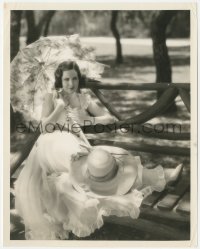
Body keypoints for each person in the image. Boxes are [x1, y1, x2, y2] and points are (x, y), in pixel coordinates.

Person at [14, 60, 183, 240]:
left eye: (74, 79)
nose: (71, 84)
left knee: (108, 158)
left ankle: (161, 176)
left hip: (74, 140)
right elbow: (43, 127)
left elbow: (107, 118)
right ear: (59, 80)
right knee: (82, 162)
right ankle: (116, 194)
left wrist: (88, 121)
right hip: (51, 143)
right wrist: (59, 109)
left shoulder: (82, 97)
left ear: (78, 79)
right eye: (66, 80)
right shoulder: (53, 96)